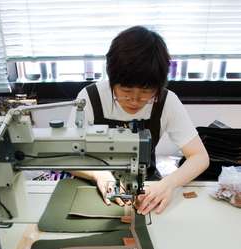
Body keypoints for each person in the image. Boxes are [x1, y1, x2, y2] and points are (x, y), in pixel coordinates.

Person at [68, 26, 209, 215]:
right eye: (125, 91)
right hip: (96, 184)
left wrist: (168, 184)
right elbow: (69, 156)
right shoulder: (90, 98)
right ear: (111, 79)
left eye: (145, 92)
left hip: (147, 184)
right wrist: (99, 174)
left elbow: (200, 157)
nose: (134, 100)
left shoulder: (167, 101)